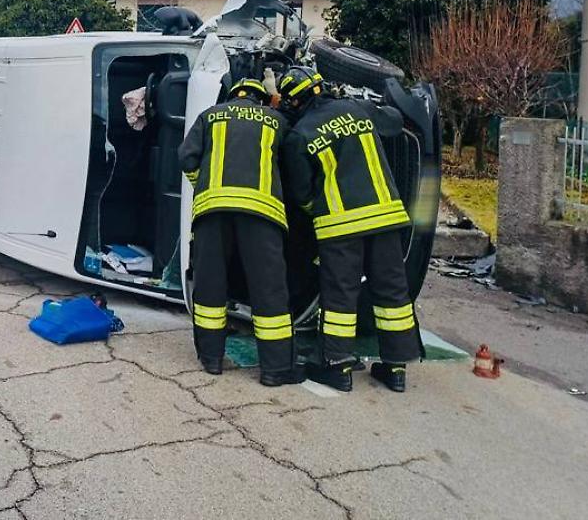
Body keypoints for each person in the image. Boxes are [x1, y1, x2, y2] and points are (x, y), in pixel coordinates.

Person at [278, 65, 421, 393]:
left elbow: (301, 194)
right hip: (386, 216)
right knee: (392, 294)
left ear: (294, 102)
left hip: (340, 224)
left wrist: (315, 214)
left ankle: (337, 366)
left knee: (340, 294)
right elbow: (393, 123)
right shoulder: (358, 110)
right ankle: (396, 368)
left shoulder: (300, 134)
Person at [177, 77, 305, 386]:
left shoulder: (209, 115)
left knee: (210, 284)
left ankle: (211, 359)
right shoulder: (276, 120)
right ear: (260, 99)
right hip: (261, 214)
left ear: (232, 95)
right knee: (268, 289)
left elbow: (186, 157)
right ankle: (275, 369)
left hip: (212, 211)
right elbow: (292, 164)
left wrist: (204, 184)